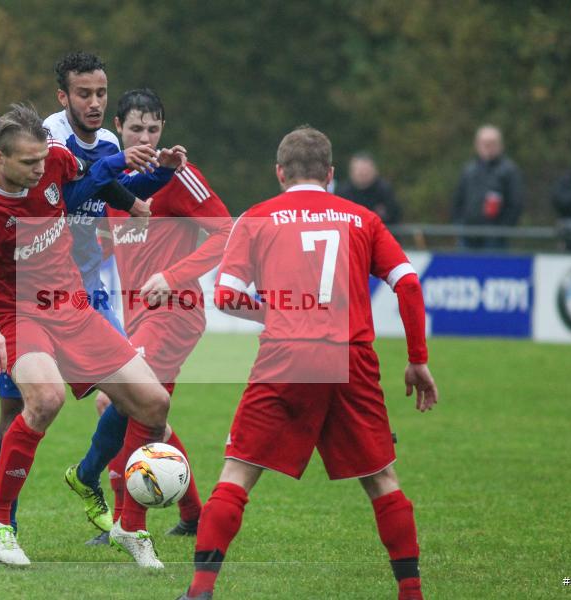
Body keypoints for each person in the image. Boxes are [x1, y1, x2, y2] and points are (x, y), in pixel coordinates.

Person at [177, 127, 438, 600]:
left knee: (238, 471)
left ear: (280, 173)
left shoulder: (256, 218)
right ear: (331, 175)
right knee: (381, 480)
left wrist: (276, 312)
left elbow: (228, 296)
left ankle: (199, 591)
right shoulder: (363, 218)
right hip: (351, 356)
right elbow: (408, 284)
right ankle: (412, 592)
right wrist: (417, 360)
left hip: (285, 355)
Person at [0, 52, 183, 553]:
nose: (93, 102)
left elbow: (107, 188)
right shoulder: (46, 141)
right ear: (62, 97)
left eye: (100, 93)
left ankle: (105, 495)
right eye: (83, 94)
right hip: (25, 300)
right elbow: (67, 194)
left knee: (142, 401)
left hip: (84, 289)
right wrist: (114, 172)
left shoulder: (105, 141)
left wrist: (145, 189)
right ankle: (1, 526)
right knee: (24, 406)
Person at [75, 89, 233, 547]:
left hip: (174, 313)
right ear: (118, 128)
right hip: (136, 316)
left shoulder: (177, 175)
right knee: (143, 412)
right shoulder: (113, 178)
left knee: (124, 403)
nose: (146, 137)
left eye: (154, 128)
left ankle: (124, 522)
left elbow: (227, 232)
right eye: (136, 129)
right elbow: (106, 242)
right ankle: (194, 515)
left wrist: (174, 274)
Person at [451, 125, 523, 249]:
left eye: (492, 143)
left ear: (500, 145)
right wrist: (460, 226)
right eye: (484, 142)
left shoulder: (509, 170)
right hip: (467, 236)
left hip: (494, 239)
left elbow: (515, 204)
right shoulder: (469, 169)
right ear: (477, 144)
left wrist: (501, 230)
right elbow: (458, 200)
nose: (487, 146)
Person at [336, 152, 402, 225]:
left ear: (375, 170)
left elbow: (394, 217)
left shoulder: (385, 190)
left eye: (366, 170)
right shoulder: (342, 192)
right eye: (358, 170)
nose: (363, 173)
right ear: (351, 172)